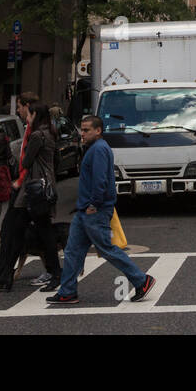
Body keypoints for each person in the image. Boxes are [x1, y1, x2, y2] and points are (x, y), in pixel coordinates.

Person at [48, 115, 155, 304]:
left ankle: (141, 280)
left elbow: (100, 182)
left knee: (106, 249)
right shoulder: (94, 148)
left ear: (98, 131)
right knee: (73, 250)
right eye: (82, 129)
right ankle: (68, 291)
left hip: (94, 210)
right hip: (85, 211)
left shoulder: (98, 150)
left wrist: (94, 205)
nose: (83, 133)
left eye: (87, 130)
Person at [0, 102, 60, 291]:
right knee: (21, 230)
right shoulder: (50, 133)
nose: (27, 118)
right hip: (42, 188)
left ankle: (55, 273)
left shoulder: (36, 136)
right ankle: (6, 274)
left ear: (35, 116)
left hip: (34, 190)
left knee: (37, 232)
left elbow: (26, 161)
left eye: (30, 115)